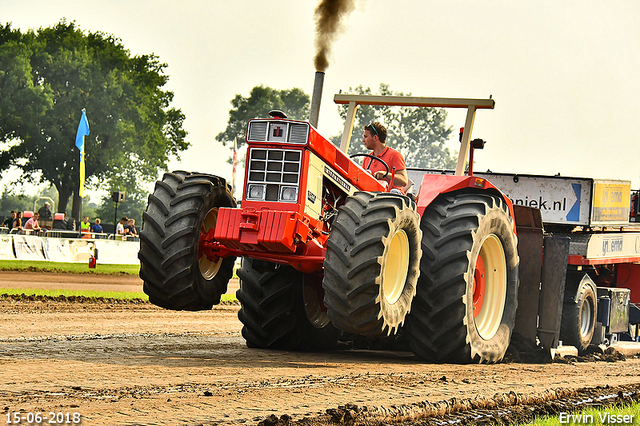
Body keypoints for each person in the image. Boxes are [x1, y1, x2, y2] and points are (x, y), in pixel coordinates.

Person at [361, 122, 408, 192]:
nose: (363, 140)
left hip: (390, 197)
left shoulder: (394, 155)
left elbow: (404, 181)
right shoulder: (367, 158)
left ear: (375, 137)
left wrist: (385, 174)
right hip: (371, 196)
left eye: (366, 137)